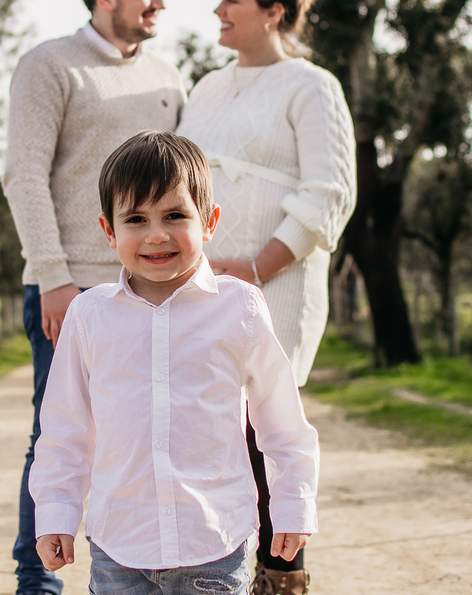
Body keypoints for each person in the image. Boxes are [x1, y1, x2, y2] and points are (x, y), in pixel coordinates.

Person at [29, 130, 320, 595]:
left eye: (175, 215)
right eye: (136, 219)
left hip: (215, 546)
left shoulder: (240, 307)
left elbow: (282, 423)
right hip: (119, 548)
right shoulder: (89, 316)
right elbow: (65, 430)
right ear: (109, 231)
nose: (156, 234)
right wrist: (56, 513)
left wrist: (292, 505)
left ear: (209, 220)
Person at [2, 0, 186, 595]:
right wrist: (53, 275)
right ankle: (40, 585)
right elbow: (23, 175)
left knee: (145, 441)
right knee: (60, 440)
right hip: (71, 287)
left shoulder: (168, 77)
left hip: (154, 292)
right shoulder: (50, 66)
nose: (159, 1)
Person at [176, 0, 356, 595]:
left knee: (266, 434)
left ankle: (281, 579)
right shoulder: (205, 87)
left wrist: (254, 266)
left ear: (273, 11)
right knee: (213, 429)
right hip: (204, 288)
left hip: (274, 285)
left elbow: (328, 194)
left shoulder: (312, 87)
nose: (217, 9)